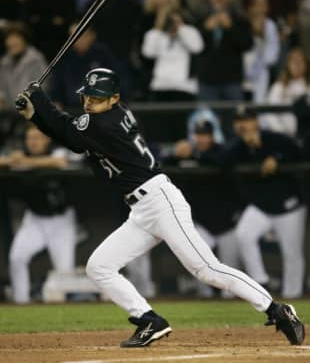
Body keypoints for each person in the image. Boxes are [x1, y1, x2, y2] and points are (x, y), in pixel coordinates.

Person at [15, 68, 305, 347]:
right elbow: (69, 131)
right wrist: (37, 115)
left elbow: (68, 132)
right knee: (99, 267)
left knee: (207, 269)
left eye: (97, 98)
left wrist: (38, 101)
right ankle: (148, 319)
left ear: (114, 98)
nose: (89, 103)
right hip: (141, 210)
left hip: (159, 201)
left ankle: (276, 310)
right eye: (87, 97)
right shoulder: (111, 115)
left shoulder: (104, 123)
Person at [224, 108, 306, 299]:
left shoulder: (274, 138)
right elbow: (223, 162)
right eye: (238, 121)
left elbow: (298, 152)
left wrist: (276, 157)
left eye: (247, 120)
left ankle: (292, 296)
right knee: (244, 234)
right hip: (262, 207)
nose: (242, 125)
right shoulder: (238, 147)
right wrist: (250, 147)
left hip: (289, 207)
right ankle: (260, 282)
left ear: (256, 122)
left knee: (292, 254)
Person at [162, 120, 240, 297]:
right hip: (201, 222)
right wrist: (175, 154)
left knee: (230, 268)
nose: (202, 138)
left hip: (226, 220)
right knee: (199, 261)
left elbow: (222, 162)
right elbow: (163, 166)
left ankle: (231, 302)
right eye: (199, 135)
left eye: (205, 135)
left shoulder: (221, 151)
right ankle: (205, 296)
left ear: (212, 136)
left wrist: (195, 156)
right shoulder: (189, 152)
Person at [3, 124, 77, 303]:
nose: (33, 142)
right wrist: (10, 161)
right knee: (17, 258)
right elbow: (7, 160)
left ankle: (64, 318)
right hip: (34, 219)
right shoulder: (20, 154)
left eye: (37, 138)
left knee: (65, 273)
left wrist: (24, 162)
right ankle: (21, 302)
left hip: (61, 220)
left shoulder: (57, 150)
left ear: (46, 139)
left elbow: (60, 162)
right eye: (30, 138)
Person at [197, 0, 253, 101]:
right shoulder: (201, 18)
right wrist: (206, 29)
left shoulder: (240, 18)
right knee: (208, 119)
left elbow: (247, 44)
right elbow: (195, 47)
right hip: (207, 80)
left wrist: (230, 27)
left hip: (231, 79)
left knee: (234, 118)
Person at [141, 7, 204, 101]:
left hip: (184, 86)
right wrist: (159, 27)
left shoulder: (189, 31)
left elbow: (197, 48)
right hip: (160, 85)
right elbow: (148, 52)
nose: (172, 23)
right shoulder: (156, 34)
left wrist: (180, 27)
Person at [50, 22, 115, 109]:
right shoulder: (64, 56)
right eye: (73, 37)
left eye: (82, 36)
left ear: (92, 36)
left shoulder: (102, 54)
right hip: (69, 108)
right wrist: (56, 101)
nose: (78, 40)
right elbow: (57, 84)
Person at [261, 48, 310, 137]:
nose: (297, 65)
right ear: (288, 65)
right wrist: (281, 132)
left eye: (300, 61)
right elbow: (271, 113)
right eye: (293, 61)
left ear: (306, 64)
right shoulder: (278, 87)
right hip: (284, 135)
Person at [243, 0, 280, 104]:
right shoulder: (241, 24)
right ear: (250, 7)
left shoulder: (270, 26)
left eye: (264, 4)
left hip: (260, 77)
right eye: (257, 4)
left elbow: (272, 57)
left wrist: (262, 35)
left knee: (259, 110)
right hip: (239, 76)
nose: (260, 8)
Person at [0, 23, 48, 110]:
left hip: (32, 113)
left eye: (16, 38)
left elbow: (43, 89)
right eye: (9, 39)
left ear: (25, 40)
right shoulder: (4, 62)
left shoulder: (36, 60)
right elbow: (2, 89)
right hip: (9, 115)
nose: (12, 42)